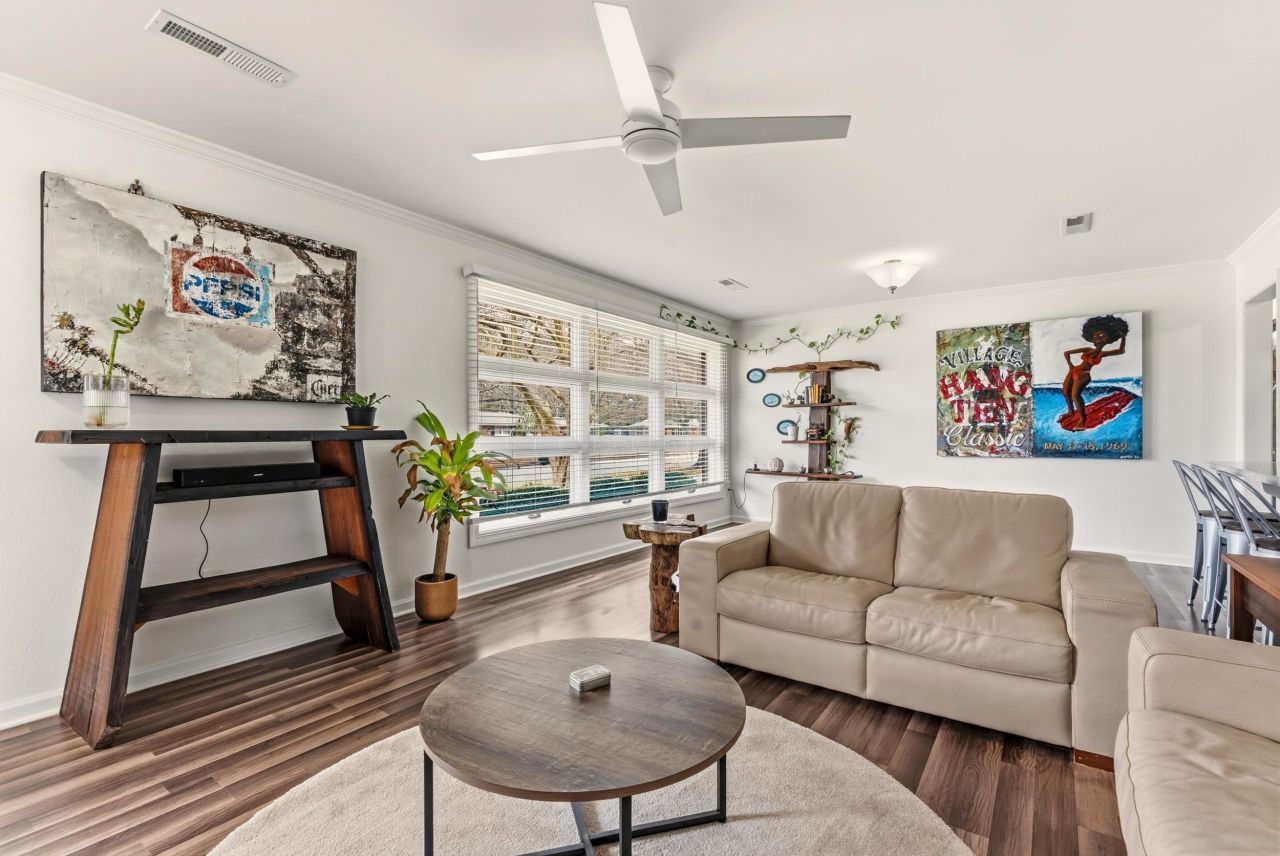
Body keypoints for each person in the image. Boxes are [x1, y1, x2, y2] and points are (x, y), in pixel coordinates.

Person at [1061, 315, 1128, 430]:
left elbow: (1121, 351)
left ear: (1109, 338)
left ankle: (1082, 420)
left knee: (1075, 396)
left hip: (1084, 374)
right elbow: (1066, 353)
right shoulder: (1088, 349)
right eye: (1095, 335)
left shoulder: (1102, 353)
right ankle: (1071, 412)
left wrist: (1123, 337)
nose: (1097, 337)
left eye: (1101, 335)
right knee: (1066, 392)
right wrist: (1071, 366)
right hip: (1075, 370)